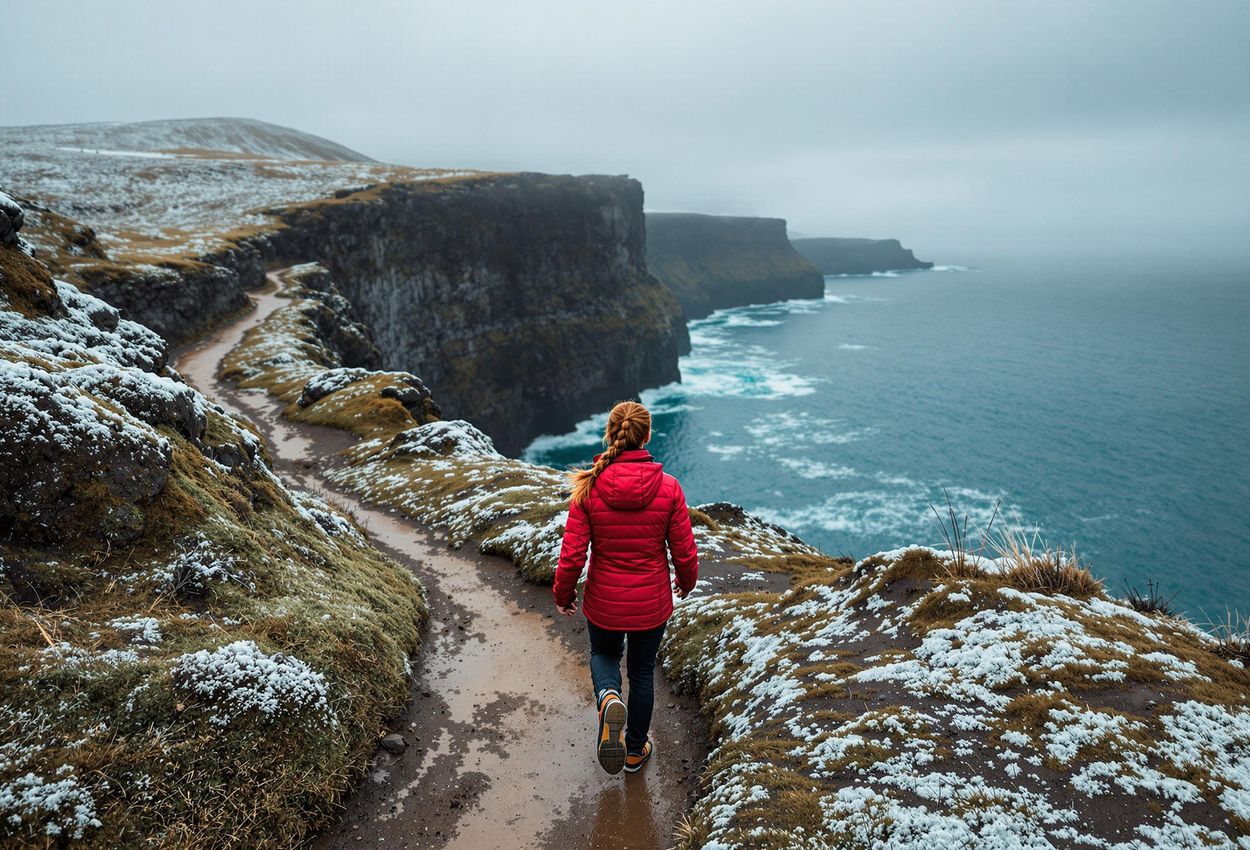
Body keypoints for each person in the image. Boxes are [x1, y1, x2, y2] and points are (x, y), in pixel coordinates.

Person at [552, 400, 699, 775]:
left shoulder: (588, 486)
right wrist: (686, 582)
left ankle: (607, 697)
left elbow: (572, 556)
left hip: (604, 601)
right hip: (650, 603)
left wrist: (564, 594)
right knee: (643, 672)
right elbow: (683, 551)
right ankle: (634, 751)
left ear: (610, 432)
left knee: (603, 654)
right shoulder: (669, 488)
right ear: (648, 435)